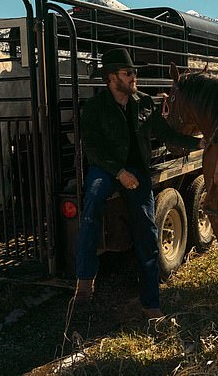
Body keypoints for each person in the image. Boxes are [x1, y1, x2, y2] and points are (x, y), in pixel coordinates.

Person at [75, 48, 204, 320]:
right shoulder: (94, 108)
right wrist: (119, 173)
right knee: (92, 204)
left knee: (146, 227)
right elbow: (93, 148)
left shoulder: (145, 103)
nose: (134, 77)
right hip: (107, 167)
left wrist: (198, 143)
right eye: (128, 73)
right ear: (111, 78)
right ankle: (85, 280)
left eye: (135, 73)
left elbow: (166, 133)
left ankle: (150, 303)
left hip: (138, 171)